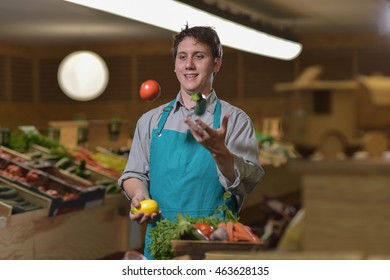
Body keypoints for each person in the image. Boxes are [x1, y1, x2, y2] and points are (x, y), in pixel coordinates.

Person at [118, 24, 264, 259]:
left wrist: (220, 152)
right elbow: (134, 173)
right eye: (182, 57)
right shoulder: (150, 121)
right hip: (161, 244)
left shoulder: (235, 120)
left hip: (215, 245)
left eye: (199, 56)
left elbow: (247, 183)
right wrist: (139, 195)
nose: (189, 65)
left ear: (216, 63)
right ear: (175, 65)